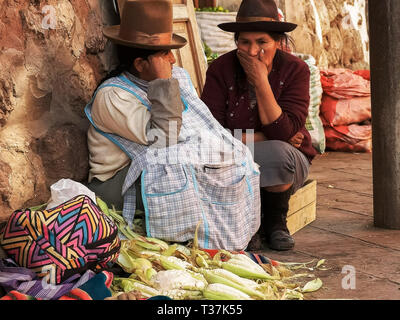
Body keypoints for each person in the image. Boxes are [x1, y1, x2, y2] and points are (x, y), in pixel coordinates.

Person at [84, 0, 261, 251]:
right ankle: (192, 240)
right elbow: (163, 138)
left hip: (154, 162)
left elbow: (198, 129)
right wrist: (163, 82)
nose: (173, 58)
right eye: (164, 53)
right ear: (140, 64)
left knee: (234, 157)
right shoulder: (113, 96)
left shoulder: (175, 77)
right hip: (117, 183)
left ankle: (231, 235)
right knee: (187, 171)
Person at [201, 0, 317, 251]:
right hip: (231, 155)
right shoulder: (221, 69)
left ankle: (275, 223)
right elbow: (212, 133)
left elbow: (284, 132)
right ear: (236, 42)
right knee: (219, 155)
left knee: (278, 153)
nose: (253, 52)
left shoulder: (296, 70)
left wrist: (261, 81)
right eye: (245, 42)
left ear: (278, 42)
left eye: (262, 42)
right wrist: (266, 137)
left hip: (285, 161)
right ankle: (249, 224)